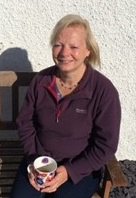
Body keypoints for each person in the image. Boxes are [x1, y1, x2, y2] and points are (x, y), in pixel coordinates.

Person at [10, 14, 121, 198]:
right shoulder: (41, 82)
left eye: (74, 47)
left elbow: (105, 145)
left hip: (80, 169)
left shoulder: (103, 91)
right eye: (58, 44)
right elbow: (25, 123)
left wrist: (69, 171)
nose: (64, 53)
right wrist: (35, 160)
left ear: (88, 51)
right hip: (38, 161)